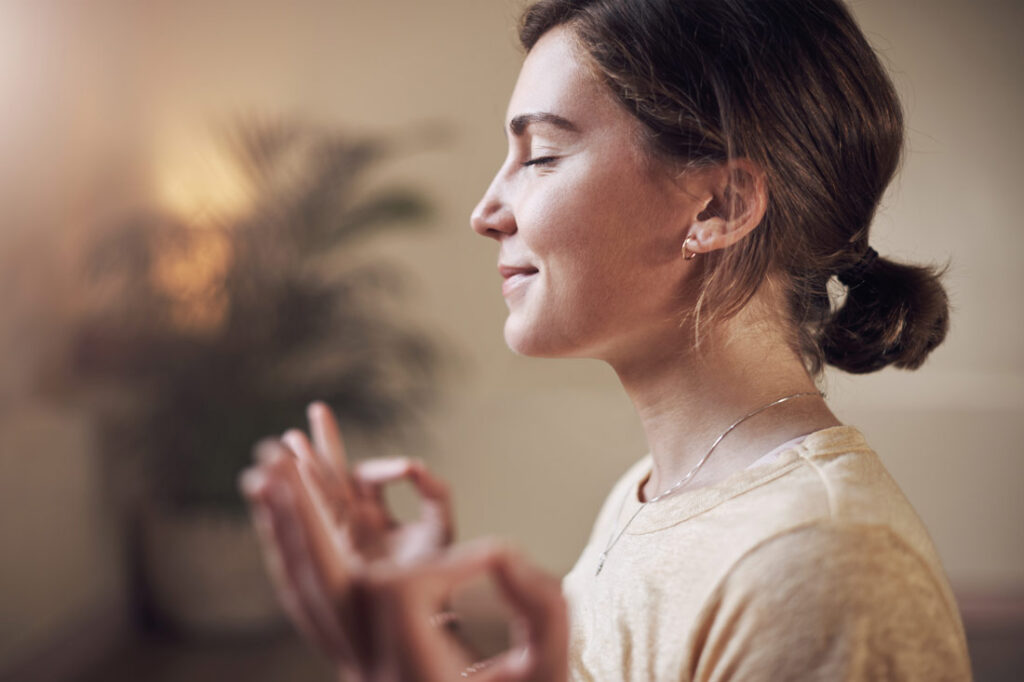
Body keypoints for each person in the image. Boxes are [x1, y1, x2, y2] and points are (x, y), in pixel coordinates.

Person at [240, 0, 973, 679]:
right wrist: (422, 628)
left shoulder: (820, 565)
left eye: (541, 155)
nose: (486, 211)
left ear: (719, 205)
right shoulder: (654, 492)